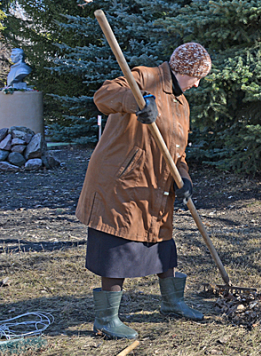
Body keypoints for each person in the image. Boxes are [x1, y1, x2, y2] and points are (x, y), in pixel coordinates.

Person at [75, 43, 212, 339]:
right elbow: (103, 95)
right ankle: (106, 319)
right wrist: (137, 102)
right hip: (121, 181)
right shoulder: (145, 78)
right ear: (183, 70)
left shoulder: (181, 104)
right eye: (197, 77)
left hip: (155, 186)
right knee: (117, 246)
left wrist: (183, 178)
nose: (197, 84)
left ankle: (172, 302)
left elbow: (178, 153)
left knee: (163, 244)